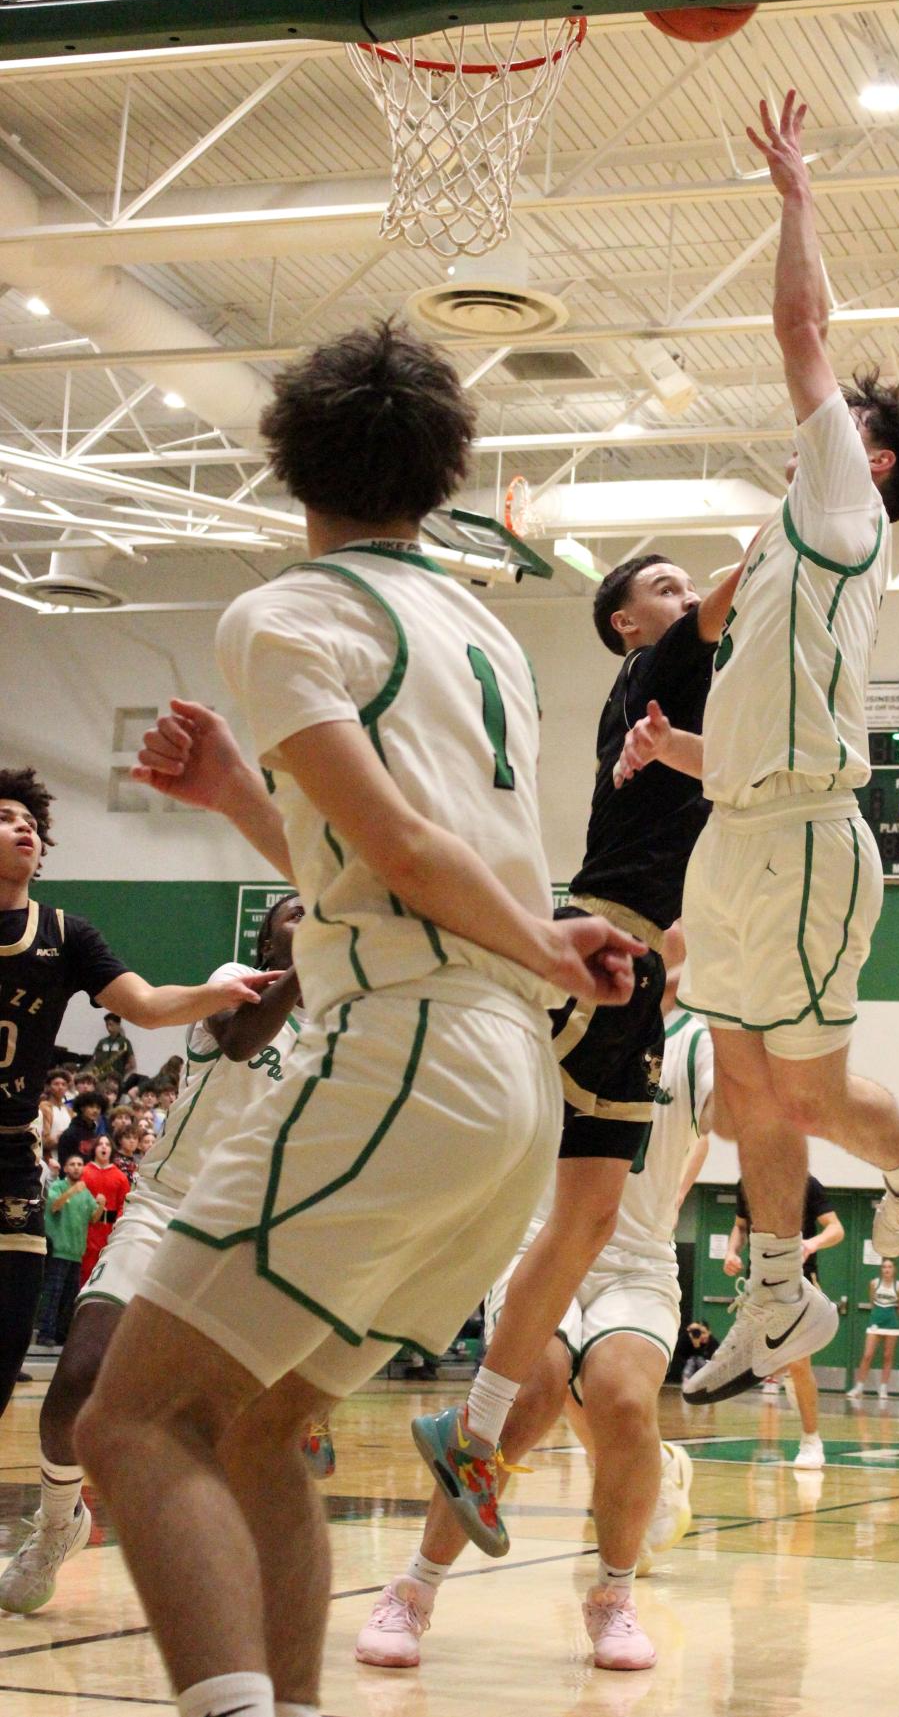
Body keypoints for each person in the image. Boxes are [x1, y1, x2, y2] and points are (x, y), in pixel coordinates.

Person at [75, 320, 641, 1717]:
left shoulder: (283, 613)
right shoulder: (484, 632)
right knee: (263, 1426)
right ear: (441, 475)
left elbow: (399, 857)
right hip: (497, 1088)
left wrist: (549, 946)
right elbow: (375, 869)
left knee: (130, 1423)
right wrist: (237, 801)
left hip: (403, 1049)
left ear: (287, 461)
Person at [613, 91, 899, 1404]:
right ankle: (774, 1288)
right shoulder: (777, 558)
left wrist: (798, 195)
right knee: (736, 1091)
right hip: (744, 827)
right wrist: (675, 748)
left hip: (811, 842)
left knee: (806, 1101)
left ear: (866, 459)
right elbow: (751, 745)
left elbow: (798, 325)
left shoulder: (837, 502)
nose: (812, 416)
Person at [409, 547, 741, 1556]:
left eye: (680, 585)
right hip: (592, 947)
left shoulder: (688, 721)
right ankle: (394, 1381)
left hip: (635, 973)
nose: (682, 594)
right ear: (624, 625)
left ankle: (469, 1435)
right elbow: (745, 582)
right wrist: (823, 475)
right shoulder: (654, 671)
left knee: (590, 1215)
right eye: (663, 587)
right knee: (492, 1171)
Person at [356, 988, 715, 1673]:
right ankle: (413, 1586)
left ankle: (613, 1593)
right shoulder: (554, 1009)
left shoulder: (699, 1038)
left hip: (636, 1258)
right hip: (537, 1237)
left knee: (625, 1399)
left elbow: (738, 1114)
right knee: (532, 1390)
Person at [0, 896, 308, 1617]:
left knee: (225, 1424)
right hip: (167, 1206)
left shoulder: (347, 1031)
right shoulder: (236, 982)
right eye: (294, 908)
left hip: (254, 1235)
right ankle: (55, 1525)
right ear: (266, 936)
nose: (309, 910)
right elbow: (239, 1041)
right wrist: (311, 960)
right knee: (77, 1376)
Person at [0, 769, 280, 1426]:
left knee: (6, 1352)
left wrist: (225, 993)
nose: (25, 829)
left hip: (12, 1160)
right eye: (8, 816)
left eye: (33, 824)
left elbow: (149, 1005)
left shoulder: (65, 934)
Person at [724, 1174, 840, 1466]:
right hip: (760, 1284)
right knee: (763, 1358)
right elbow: (740, 1227)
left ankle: (811, 1441)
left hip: (800, 1282)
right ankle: (785, 1370)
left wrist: (811, 1244)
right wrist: (730, 1252)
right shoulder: (747, 1183)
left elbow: (836, 1229)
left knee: (801, 1363)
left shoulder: (807, 1185)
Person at [36, 1159, 102, 1349]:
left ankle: (61, 1334)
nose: (76, 1167)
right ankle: (45, 1333)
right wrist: (72, 1191)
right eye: (72, 1164)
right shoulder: (58, 1186)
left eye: (80, 1164)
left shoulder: (86, 1192)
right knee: (52, 1294)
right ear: (65, 1169)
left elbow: (94, 1219)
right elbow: (54, 1206)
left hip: (76, 1253)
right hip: (58, 1251)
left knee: (68, 1297)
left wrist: (100, 1205)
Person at [847, 1257, 899, 1401]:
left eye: (889, 1267)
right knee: (867, 1355)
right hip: (875, 1322)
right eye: (884, 1267)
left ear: (894, 1270)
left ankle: (883, 1389)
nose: (886, 1270)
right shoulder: (874, 1283)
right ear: (881, 1269)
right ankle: (859, 1387)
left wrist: (890, 1316)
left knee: (887, 1356)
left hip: (891, 1324)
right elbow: (872, 1303)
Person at [78, 1134, 128, 1287]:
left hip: (108, 1232)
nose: (104, 1147)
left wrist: (116, 1226)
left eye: (107, 1144)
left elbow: (123, 1205)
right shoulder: (84, 1173)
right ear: (95, 1149)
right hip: (86, 1230)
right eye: (100, 1144)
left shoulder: (120, 1177)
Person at [88, 1013, 135, 1084]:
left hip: (115, 1078)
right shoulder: (102, 1041)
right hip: (100, 1076)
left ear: (118, 1025)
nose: (108, 1028)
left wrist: (121, 1072)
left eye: (111, 1024)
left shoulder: (125, 1042)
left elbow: (132, 1063)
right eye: (107, 1025)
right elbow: (94, 1059)